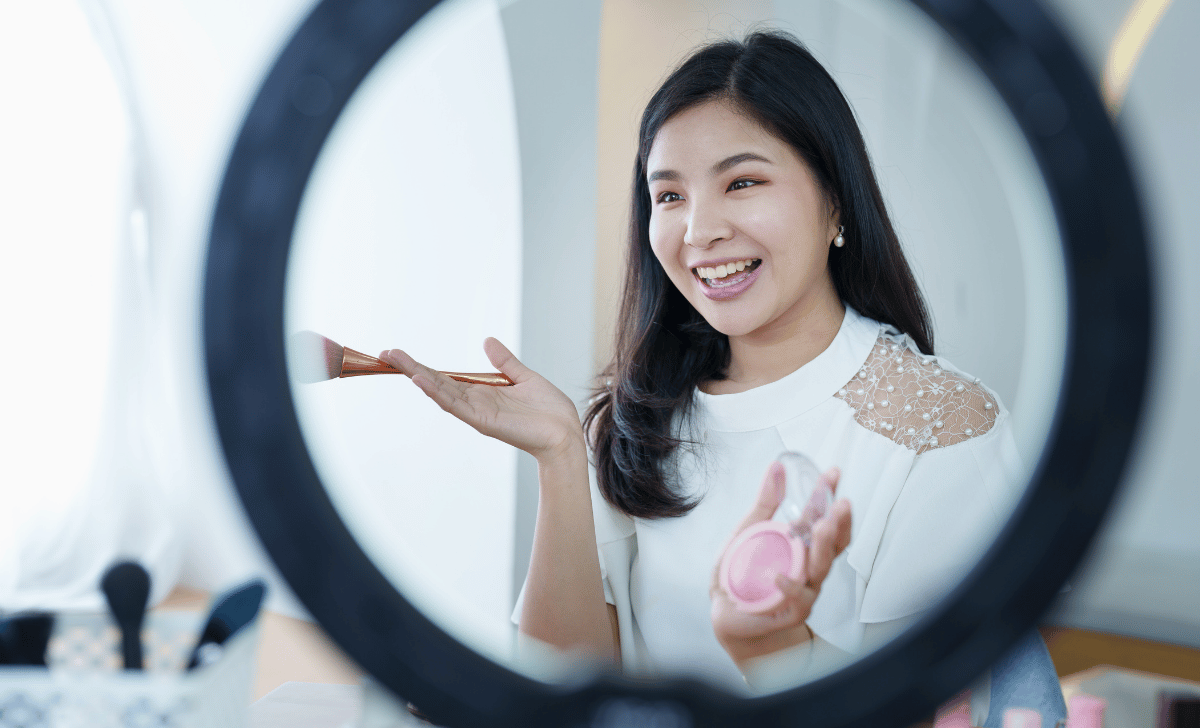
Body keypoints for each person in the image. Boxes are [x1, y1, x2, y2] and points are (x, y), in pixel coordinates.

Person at [382, 29, 1065, 727]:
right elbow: (566, 692)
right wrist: (560, 455)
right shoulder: (637, 417)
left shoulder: (945, 431)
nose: (698, 230)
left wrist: (774, 649)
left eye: (742, 182)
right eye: (668, 195)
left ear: (835, 200)